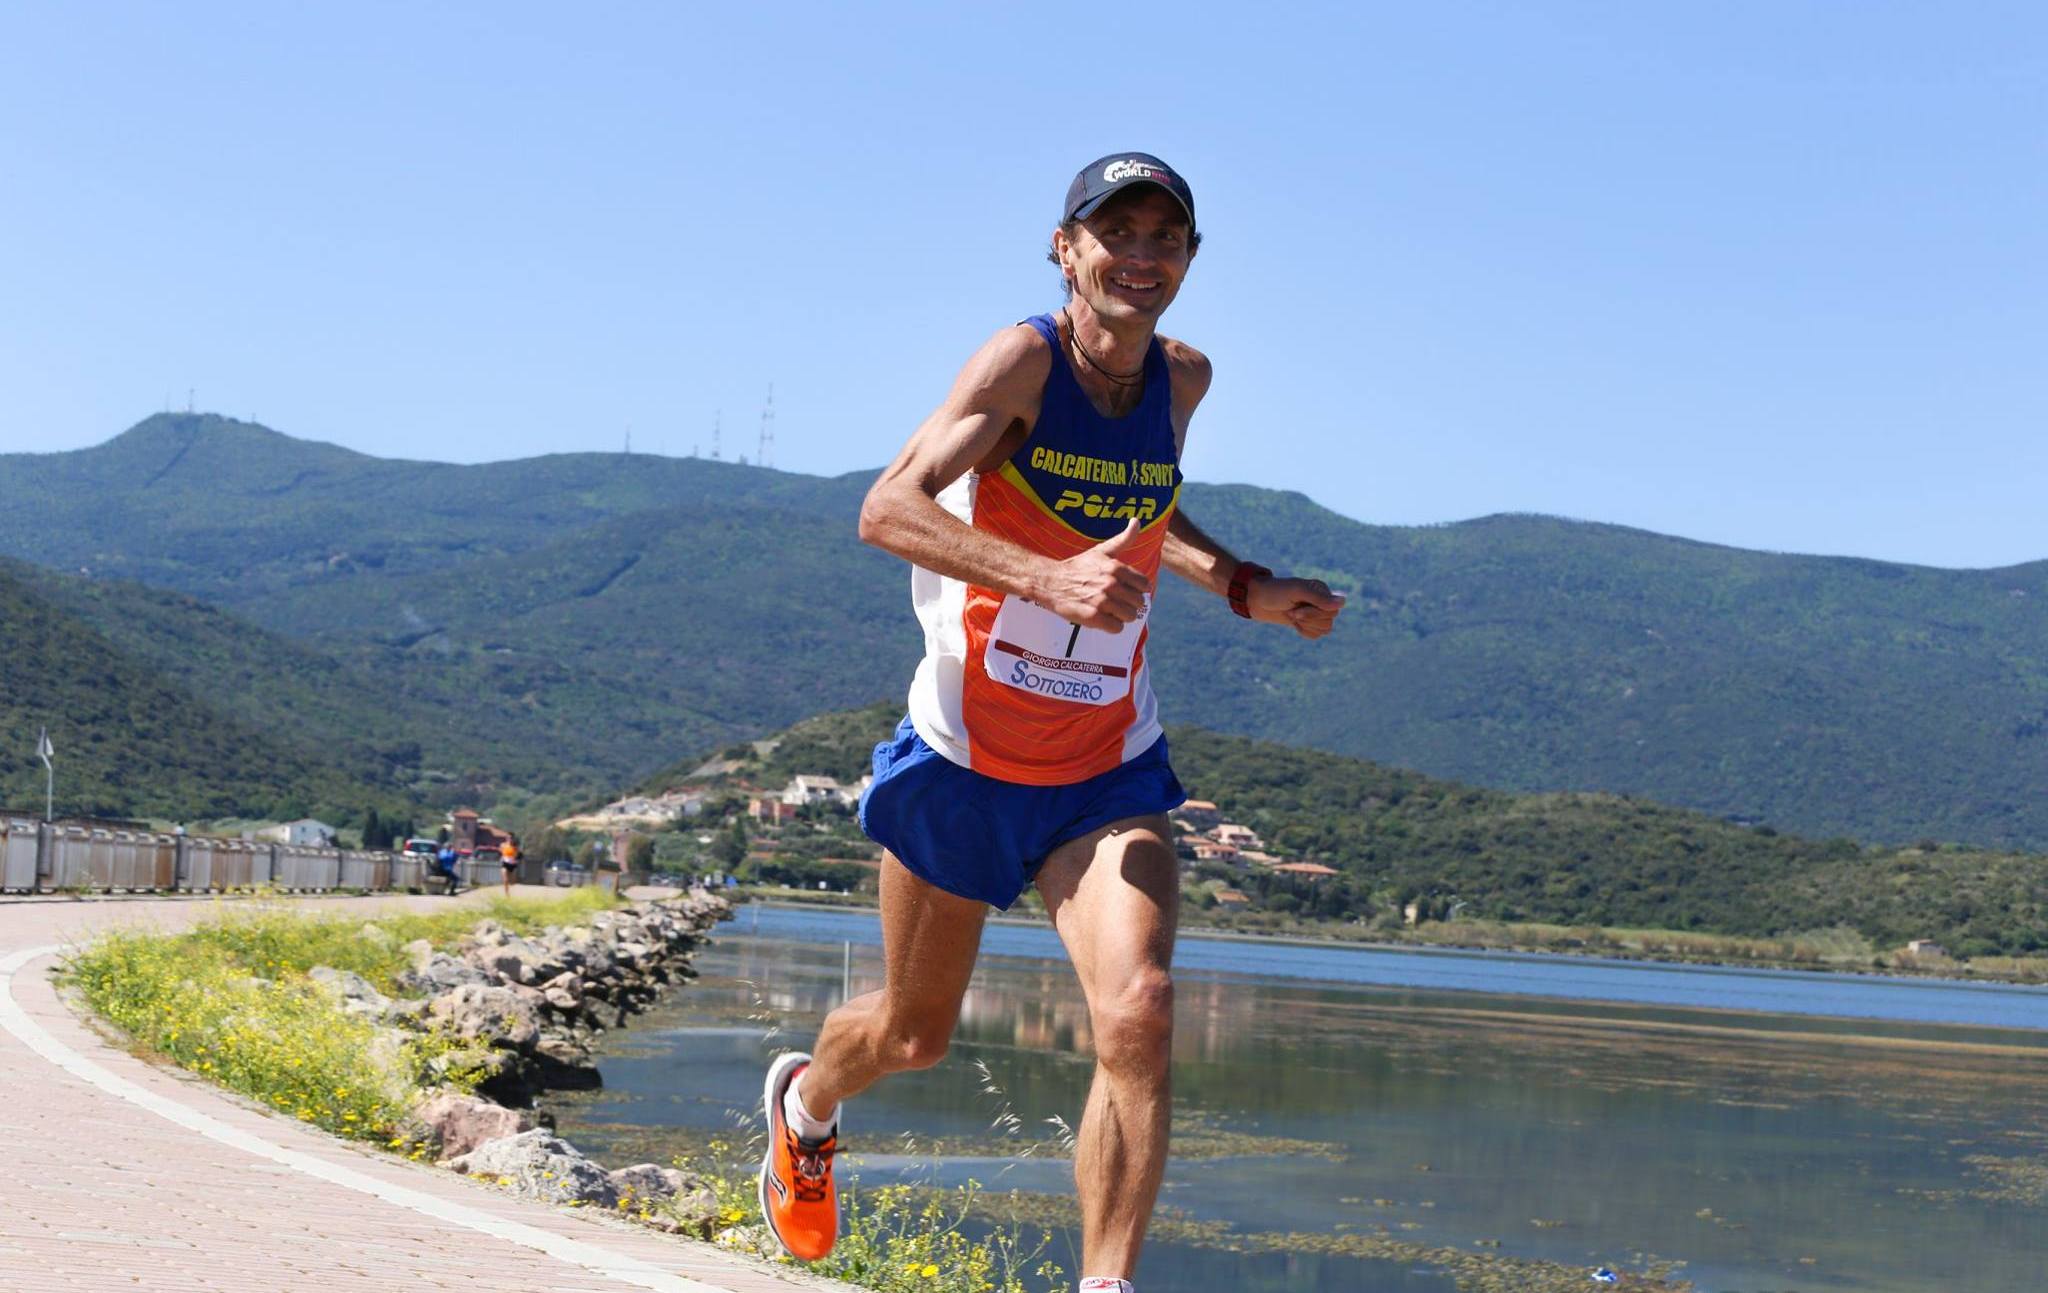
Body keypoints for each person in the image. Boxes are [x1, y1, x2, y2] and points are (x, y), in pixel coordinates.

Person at [757, 153, 1345, 1292]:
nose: (1141, 254)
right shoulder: (1022, 358)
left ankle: (1103, 1284)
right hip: (966, 758)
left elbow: (1142, 516)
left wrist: (1242, 584)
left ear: (1187, 261)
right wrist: (1042, 581)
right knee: (913, 1038)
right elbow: (886, 508)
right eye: (1114, 231)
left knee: (1142, 1009)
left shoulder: (1183, 380)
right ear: (1064, 248)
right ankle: (807, 1104)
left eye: (1164, 237)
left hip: (1102, 766)